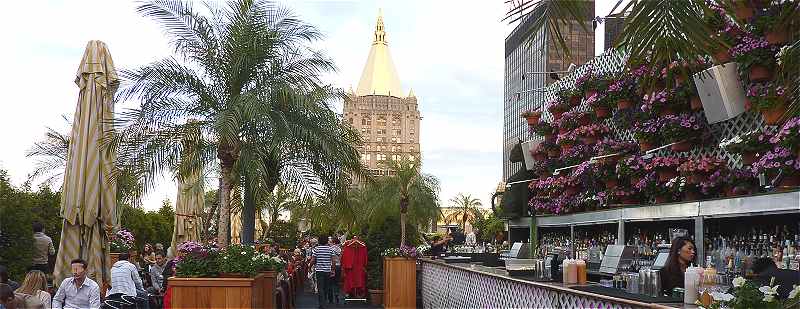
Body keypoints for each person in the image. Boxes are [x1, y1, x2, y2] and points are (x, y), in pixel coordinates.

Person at [310, 235, 334, 309]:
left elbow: (313, 260)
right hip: (327, 270)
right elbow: (333, 261)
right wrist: (332, 270)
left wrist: (309, 266)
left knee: (320, 288)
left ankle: (322, 304)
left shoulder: (316, 249)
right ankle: (325, 301)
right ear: (327, 241)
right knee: (326, 287)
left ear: (319, 241)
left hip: (319, 270)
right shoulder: (330, 249)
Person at [329, 237, 343, 304]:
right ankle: (336, 295)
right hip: (338, 266)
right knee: (337, 282)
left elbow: (330, 259)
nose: (329, 243)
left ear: (334, 242)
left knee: (330, 282)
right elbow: (340, 257)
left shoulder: (330, 249)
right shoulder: (339, 249)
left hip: (332, 266)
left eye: (330, 242)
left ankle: (331, 298)